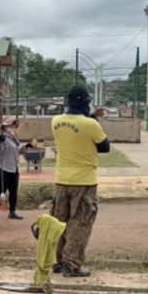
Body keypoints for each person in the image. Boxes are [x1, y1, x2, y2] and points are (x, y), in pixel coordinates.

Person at [50, 85, 110, 277]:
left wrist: (91, 117)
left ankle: (57, 261)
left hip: (61, 180)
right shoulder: (91, 125)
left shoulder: (56, 121)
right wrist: (93, 118)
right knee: (80, 222)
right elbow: (104, 148)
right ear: (85, 102)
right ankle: (72, 264)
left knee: (59, 221)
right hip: (84, 182)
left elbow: (75, 130)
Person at [0, 116, 31, 219]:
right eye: (10, 125)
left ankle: (12, 212)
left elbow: (18, 151)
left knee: (14, 191)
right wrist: (0, 142)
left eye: (13, 125)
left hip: (13, 168)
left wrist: (26, 147)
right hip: (1, 168)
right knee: (2, 190)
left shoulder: (13, 138)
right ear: (5, 126)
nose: (12, 127)